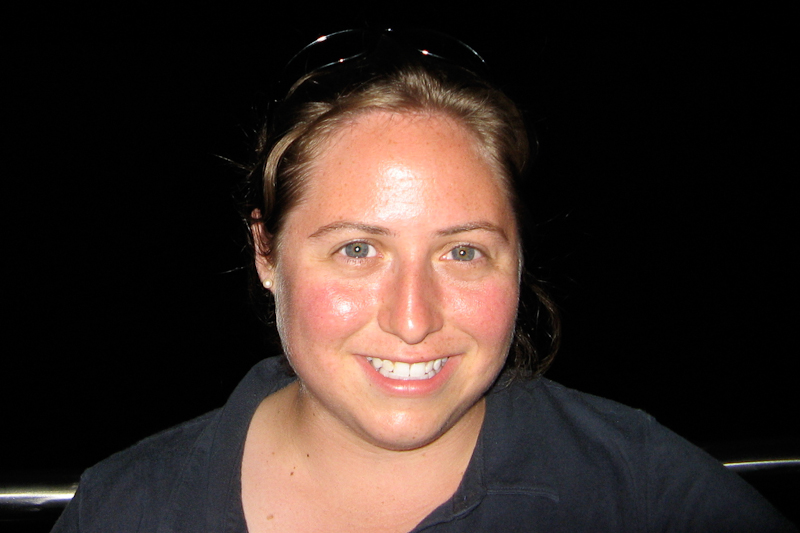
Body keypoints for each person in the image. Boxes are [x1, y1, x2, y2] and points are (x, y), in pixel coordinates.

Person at [52, 29, 795, 532]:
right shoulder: (125, 508)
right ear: (266, 252)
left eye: (463, 252)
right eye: (357, 250)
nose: (413, 320)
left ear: (519, 257)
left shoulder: (638, 489)